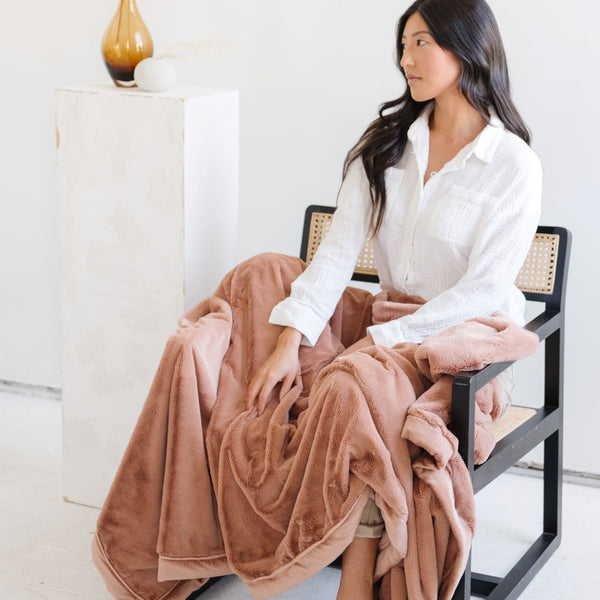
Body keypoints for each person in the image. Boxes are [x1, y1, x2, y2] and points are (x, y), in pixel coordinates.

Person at [245, 0, 541, 598]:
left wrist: (383, 339)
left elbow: (485, 290)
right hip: (387, 331)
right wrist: (289, 340)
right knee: (258, 300)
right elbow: (334, 254)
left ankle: (355, 583)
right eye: (403, 45)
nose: (406, 59)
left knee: (358, 384)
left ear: (468, 47)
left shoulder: (512, 164)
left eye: (422, 43)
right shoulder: (386, 149)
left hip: (466, 346)